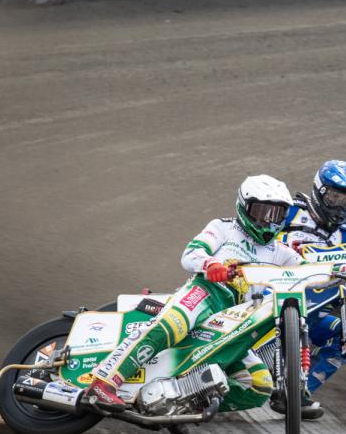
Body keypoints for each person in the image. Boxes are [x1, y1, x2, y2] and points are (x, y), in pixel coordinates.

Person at [82, 174, 312, 416]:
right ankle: (103, 383)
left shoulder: (281, 252)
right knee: (171, 325)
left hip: (236, 319)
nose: (268, 221)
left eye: (276, 214)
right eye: (262, 212)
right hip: (206, 293)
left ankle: (184, 402)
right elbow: (191, 254)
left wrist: (339, 271)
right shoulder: (223, 227)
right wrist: (211, 265)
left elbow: (311, 271)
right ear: (244, 207)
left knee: (259, 386)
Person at [275, 160, 346, 417]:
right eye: (335, 197)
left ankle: (297, 393)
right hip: (268, 299)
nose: (341, 207)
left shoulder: (344, 233)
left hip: (313, 309)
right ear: (319, 191)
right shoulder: (289, 211)